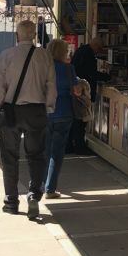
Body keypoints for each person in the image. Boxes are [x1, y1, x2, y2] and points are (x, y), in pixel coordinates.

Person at [0, 19, 56, 219]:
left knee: (9, 156)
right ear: (35, 36)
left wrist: (0, 105)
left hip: (11, 111)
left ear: (17, 36)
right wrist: (49, 107)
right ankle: (34, 196)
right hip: (36, 110)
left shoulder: (6, 55)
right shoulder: (44, 55)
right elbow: (51, 86)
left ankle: (11, 201)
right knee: (36, 155)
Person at [44, 39, 84, 197]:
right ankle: (50, 188)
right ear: (63, 52)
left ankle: (40, 184)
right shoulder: (69, 69)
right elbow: (77, 92)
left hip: (46, 112)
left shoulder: (43, 68)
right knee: (57, 152)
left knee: (45, 150)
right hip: (64, 113)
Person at [68, 36, 109, 154]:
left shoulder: (81, 51)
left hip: (77, 89)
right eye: (100, 49)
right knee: (81, 120)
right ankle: (80, 147)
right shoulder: (88, 54)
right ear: (95, 45)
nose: (99, 52)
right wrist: (106, 77)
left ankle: (71, 145)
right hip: (83, 91)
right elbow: (90, 73)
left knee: (77, 120)